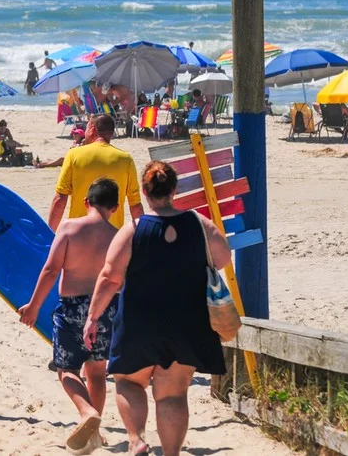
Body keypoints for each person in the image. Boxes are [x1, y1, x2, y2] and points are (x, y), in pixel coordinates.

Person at [83, 161, 231, 456]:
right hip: (187, 322)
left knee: (128, 382)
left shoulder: (134, 229)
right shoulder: (199, 224)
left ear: (145, 192)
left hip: (140, 321)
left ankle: (137, 440)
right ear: (174, 190)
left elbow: (110, 276)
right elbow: (223, 257)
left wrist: (93, 316)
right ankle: (172, 453)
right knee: (173, 394)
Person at [19, 178, 122, 452]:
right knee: (97, 372)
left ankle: (86, 412)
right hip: (107, 308)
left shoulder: (68, 228)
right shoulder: (117, 236)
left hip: (72, 309)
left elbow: (51, 270)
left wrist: (33, 306)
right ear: (115, 206)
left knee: (66, 369)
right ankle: (94, 433)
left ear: (87, 202)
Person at [48, 114, 143, 233]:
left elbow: (60, 200)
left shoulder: (74, 155)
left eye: (86, 128)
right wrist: (142, 239)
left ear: (92, 129)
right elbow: (135, 206)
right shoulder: (125, 160)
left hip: (78, 235)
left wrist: (49, 235)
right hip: (112, 238)